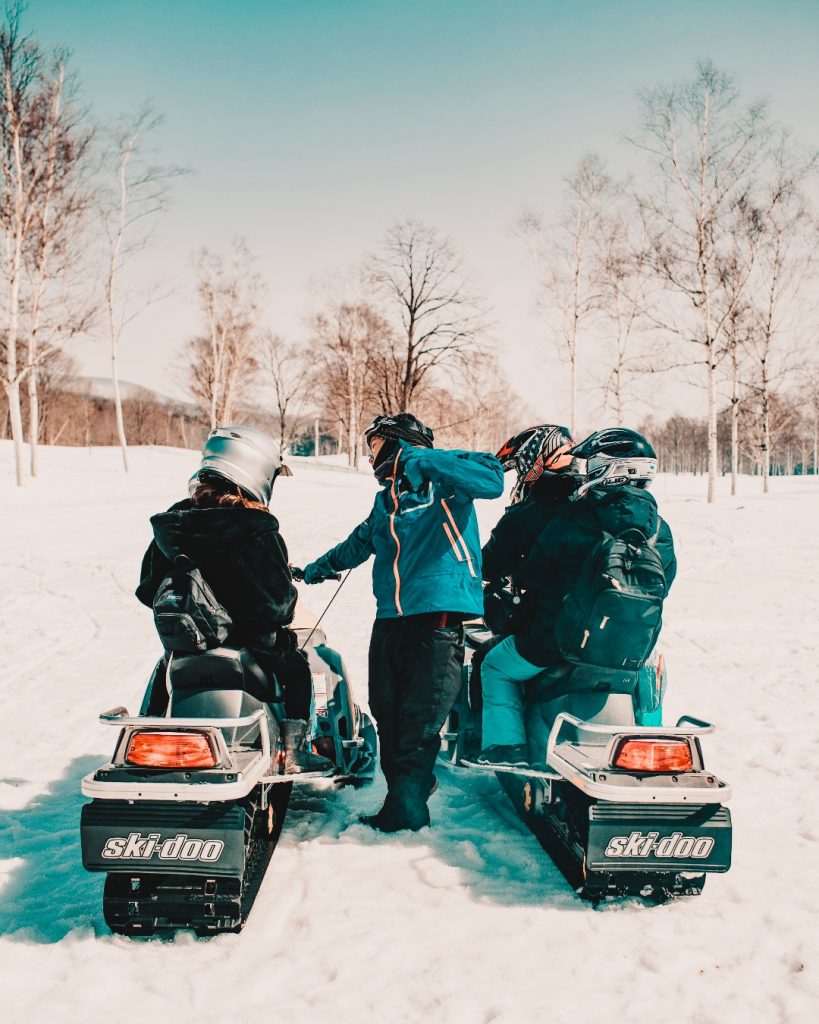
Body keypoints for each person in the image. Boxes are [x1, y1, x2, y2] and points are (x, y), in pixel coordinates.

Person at [301, 412, 504, 831]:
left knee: (419, 724)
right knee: (387, 715)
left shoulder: (447, 483)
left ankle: (407, 812)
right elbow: (357, 544)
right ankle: (408, 793)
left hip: (437, 625)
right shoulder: (387, 500)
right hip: (390, 622)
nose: (372, 456)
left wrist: (424, 460)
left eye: (377, 445)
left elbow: (493, 480)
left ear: (400, 442)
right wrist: (312, 570)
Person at [136, 425, 331, 775]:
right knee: (298, 666)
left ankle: (147, 731)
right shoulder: (256, 527)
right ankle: (295, 751)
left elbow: (148, 589)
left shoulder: (174, 524)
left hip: (189, 646)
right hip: (248, 645)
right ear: (254, 469)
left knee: (164, 667)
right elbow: (276, 606)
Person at [478, 426, 677, 767]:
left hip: (559, 641)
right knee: (650, 669)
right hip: (629, 647)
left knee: (495, 667)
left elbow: (532, 576)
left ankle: (506, 750)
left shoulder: (573, 517)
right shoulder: (659, 527)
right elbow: (665, 583)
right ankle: (646, 744)